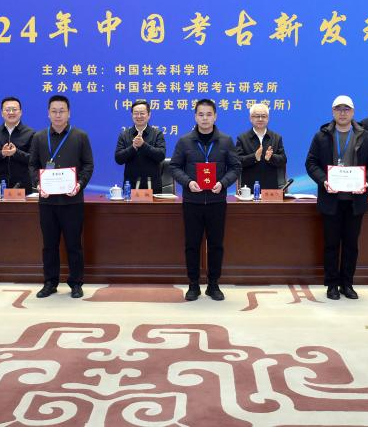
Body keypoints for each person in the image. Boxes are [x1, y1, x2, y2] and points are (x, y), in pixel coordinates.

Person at [305, 95, 368, 301]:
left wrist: (366, 181)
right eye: (338, 109)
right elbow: (311, 163)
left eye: (346, 109)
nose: (342, 113)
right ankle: (331, 284)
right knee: (331, 245)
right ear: (333, 112)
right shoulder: (322, 136)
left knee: (351, 245)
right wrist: (323, 181)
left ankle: (347, 284)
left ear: (353, 112)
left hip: (355, 201)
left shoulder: (365, 136)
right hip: (331, 200)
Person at [169, 99, 242, 302]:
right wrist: (188, 182)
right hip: (192, 201)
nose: (205, 118)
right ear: (195, 116)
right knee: (192, 244)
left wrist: (223, 183)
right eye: (201, 114)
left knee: (216, 245)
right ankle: (193, 284)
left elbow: (236, 167)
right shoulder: (185, 141)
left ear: (215, 116)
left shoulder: (225, 141)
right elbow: (174, 167)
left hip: (217, 201)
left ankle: (213, 284)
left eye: (209, 114)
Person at [28, 95, 94, 299]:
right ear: (48, 113)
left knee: (74, 244)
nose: (58, 115)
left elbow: (88, 165)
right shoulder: (39, 137)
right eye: (54, 111)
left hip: (72, 200)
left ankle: (76, 282)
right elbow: (32, 165)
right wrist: (38, 184)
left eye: (62, 111)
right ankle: (50, 282)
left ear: (69, 113)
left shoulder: (80, 136)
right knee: (49, 245)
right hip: (47, 201)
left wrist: (79, 184)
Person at [0, 97, 35, 191]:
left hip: (23, 186)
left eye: (14, 109)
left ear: (20, 112)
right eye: (7, 110)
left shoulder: (30, 133)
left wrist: (16, 152)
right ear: (2, 113)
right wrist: (2, 153)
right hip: (0, 186)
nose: (11, 113)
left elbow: (34, 159)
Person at [114, 100, 166, 192]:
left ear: (149, 115)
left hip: (152, 186)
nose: (139, 116)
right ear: (132, 115)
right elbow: (118, 159)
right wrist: (133, 147)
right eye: (136, 113)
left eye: (142, 113)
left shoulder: (157, 134)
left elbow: (161, 155)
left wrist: (143, 145)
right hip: (130, 186)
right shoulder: (124, 135)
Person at [235, 102, 287, 190]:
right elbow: (237, 161)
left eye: (263, 116)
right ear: (251, 118)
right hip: (248, 189)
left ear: (268, 118)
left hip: (271, 189)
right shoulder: (242, 138)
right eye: (257, 116)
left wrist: (271, 157)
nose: (260, 119)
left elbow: (283, 160)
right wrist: (254, 157)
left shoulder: (276, 137)